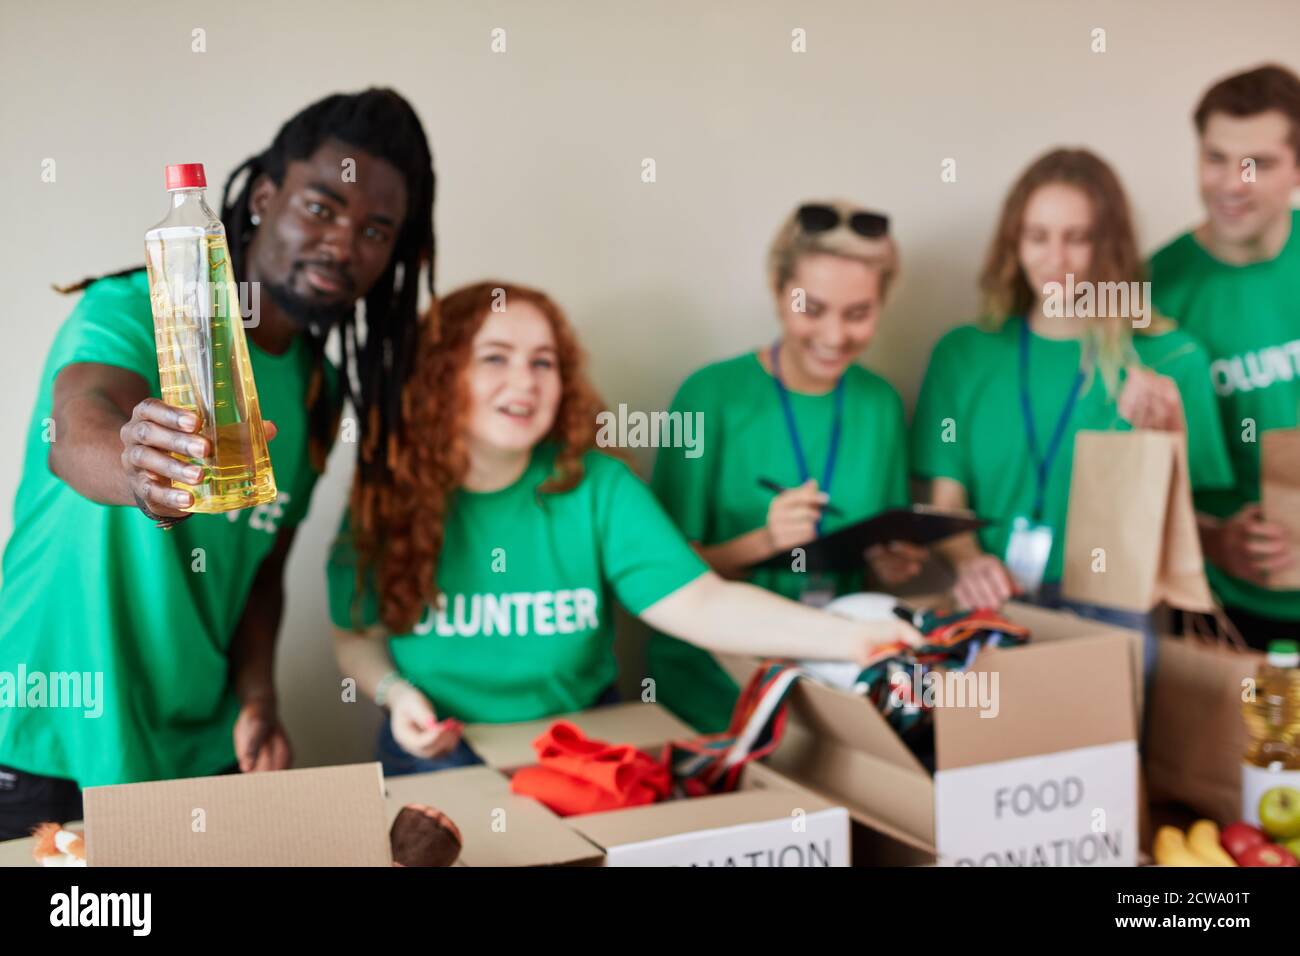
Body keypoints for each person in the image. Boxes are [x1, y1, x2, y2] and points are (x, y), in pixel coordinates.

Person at [0, 89, 436, 840]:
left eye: (375, 230)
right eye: (322, 207)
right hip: (47, 741)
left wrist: (258, 697)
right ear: (265, 197)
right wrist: (139, 468)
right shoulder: (133, 308)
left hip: (197, 753)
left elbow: (261, 568)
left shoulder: (318, 389)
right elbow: (76, 428)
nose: (343, 244)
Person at [328, 281, 921, 775]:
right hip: (437, 755)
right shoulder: (388, 492)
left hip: (580, 749)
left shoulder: (598, 486)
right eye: (496, 358)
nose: (526, 381)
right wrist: (395, 695)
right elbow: (356, 634)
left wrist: (852, 639)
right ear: (441, 375)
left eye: (543, 362)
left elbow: (702, 603)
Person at [910, 148, 1233, 682]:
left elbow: (1192, 531)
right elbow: (944, 503)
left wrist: (1165, 440)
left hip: (1119, 614)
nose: (1055, 258)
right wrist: (969, 561)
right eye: (1038, 236)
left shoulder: (1171, 358)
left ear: (1109, 245)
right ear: (1014, 242)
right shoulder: (963, 355)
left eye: (1077, 237)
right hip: (995, 607)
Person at [646, 200, 924, 733]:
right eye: (812, 309)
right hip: (716, 689)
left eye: (858, 313)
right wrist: (764, 541)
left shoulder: (880, 406)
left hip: (835, 688)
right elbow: (661, 579)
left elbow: (872, 560)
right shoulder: (709, 397)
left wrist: (890, 565)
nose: (834, 336)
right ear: (778, 292)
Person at [1149, 64, 1300, 650]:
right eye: (1216, 158)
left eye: (1257, 163)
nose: (1233, 184)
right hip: (1224, 613)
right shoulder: (1150, 293)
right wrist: (1215, 540)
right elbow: (1132, 477)